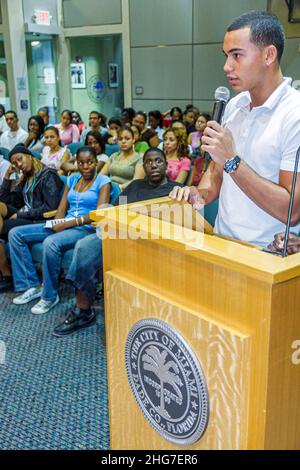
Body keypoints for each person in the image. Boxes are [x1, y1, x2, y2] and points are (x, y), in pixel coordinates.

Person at [170, 11, 300, 247]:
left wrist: (232, 160)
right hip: (222, 242)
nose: (227, 66)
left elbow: (291, 211)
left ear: (269, 55)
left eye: (237, 55)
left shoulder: (294, 114)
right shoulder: (234, 105)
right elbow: (217, 172)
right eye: (226, 56)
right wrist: (200, 194)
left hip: (266, 254)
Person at [52, 147, 181, 337]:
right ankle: (83, 310)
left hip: (153, 243)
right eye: (149, 161)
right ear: (143, 165)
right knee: (84, 247)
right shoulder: (135, 186)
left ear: (166, 165)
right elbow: (114, 211)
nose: (153, 165)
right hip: (120, 236)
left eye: (158, 161)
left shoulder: (174, 190)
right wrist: (106, 209)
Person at [8, 146, 111, 314]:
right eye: (81, 163)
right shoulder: (72, 179)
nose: (85, 167)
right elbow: (62, 207)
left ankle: (49, 296)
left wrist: (66, 225)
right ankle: (31, 285)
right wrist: (56, 223)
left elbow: (98, 215)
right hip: (64, 223)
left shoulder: (103, 181)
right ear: (76, 163)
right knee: (16, 234)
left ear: (96, 163)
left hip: (84, 228)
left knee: (50, 242)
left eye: (90, 162)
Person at [0, 145, 63, 291]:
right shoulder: (26, 177)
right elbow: (6, 201)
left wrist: (20, 215)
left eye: (20, 159)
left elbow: (50, 208)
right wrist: (7, 178)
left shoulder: (48, 175)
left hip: (38, 219)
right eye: (15, 164)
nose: (19, 165)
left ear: (29, 156)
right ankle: (7, 272)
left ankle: (6, 274)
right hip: (25, 214)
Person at [101, 127, 144, 191]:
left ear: (133, 140)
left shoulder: (140, 158)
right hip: (109, 191)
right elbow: (101, 176)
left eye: (127, 139)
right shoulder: (114, 156)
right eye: (120, 139)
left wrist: (118, 188)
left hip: (126, 192)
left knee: (122, 201)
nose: (123, 141)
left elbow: (136, 181)